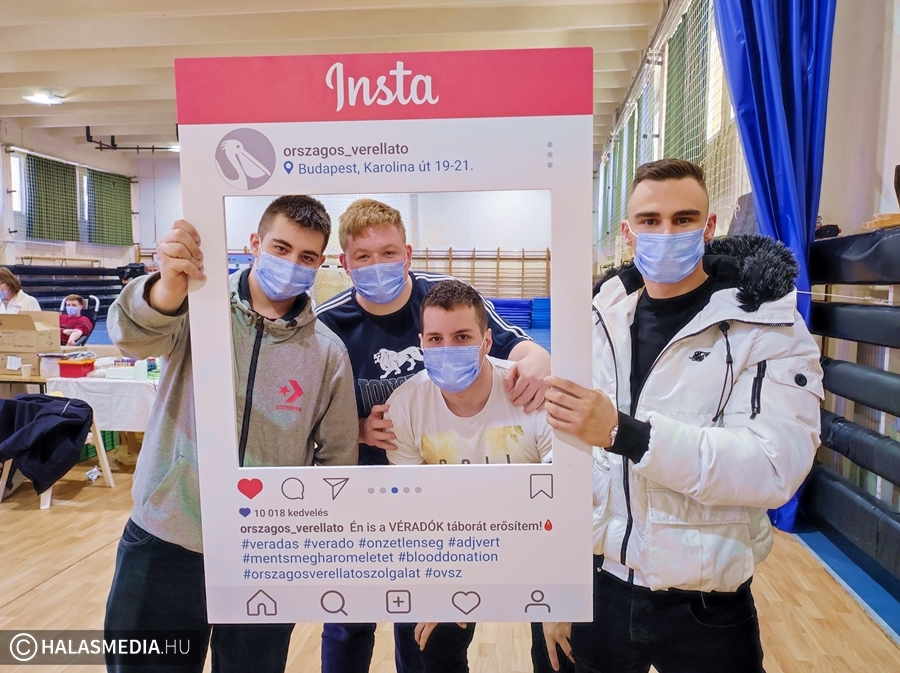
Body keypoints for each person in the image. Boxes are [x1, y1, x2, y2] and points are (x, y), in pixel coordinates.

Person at [541, 158, 823, 673]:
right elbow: (569, 464)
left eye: (683, 219)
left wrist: (627, 434)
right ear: (627, 232)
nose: (666, 234)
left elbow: (774, 466)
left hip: (706, 604)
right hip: (601, 589)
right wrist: (559, 584)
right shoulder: (598, 319)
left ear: (709, 227)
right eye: (650, 221)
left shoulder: (766, 327)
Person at [104, 195, 359, 672]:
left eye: (306, 256)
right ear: (255, 243)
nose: (292, 263)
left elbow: (337, 459)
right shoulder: (198, 307)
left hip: (265, 551)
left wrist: (302, 537)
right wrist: (165, 288)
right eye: (280, 248)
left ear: (319, 263)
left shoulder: (327, 353)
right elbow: (132, 338)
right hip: (167, 532)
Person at [314, 199, 552, 673]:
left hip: (435, 493)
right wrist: (355, 429)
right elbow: (307, 418)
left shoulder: (440, 300)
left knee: (421, 625)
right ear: (344, 262)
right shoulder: (327, 324)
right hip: (360, 490)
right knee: (347, 620)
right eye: (363, 256)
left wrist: (539, 362)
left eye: (388, 253)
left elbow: (518, 348)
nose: (377, 265)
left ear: (407, 253)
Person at [385, 279, 560, 673]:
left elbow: (564, 503)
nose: (447, 349)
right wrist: (439, 583)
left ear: (487, 340)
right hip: (455, 546)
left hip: (537, 543)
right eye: (435, 339)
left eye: (462, 337)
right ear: (421, 343)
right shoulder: (406, 406)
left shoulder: (532, 395)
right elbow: (413, 510)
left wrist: (561, 597)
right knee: (430, 642)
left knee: (560, 649)